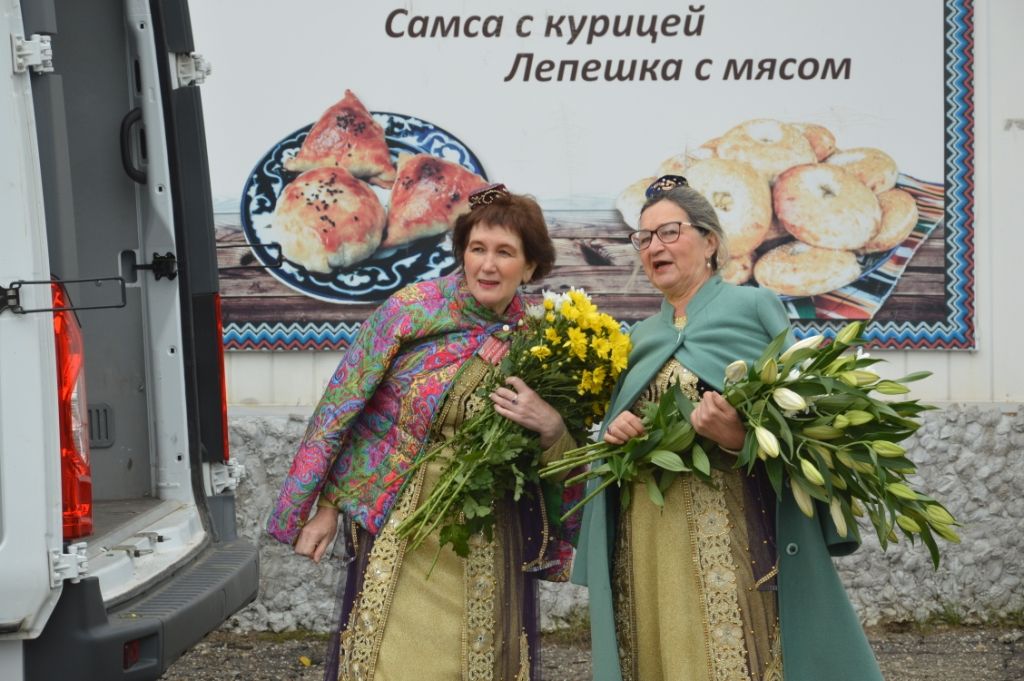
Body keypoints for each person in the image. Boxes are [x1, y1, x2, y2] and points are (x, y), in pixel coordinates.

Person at [572, 176, 884, 681]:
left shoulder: (752, 308)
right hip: (646, 541)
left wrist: (739, 438)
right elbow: (617, 438)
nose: (655, 247)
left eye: (669, 232)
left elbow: (803, 424)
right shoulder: (641, 337)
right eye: (644, 238)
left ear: (710, 241)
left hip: (734, 529)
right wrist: (619, 433)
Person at [266, 184, 579, 681]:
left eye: (505, 253)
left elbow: (563, 455)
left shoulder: (543, 345)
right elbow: (348, 409)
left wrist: (552, 425)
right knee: (393, 660)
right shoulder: (412, 311)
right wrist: (325, 507)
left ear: (532, 267)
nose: (488, 265)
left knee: (474, 661)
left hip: (488, 532)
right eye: (477, 249)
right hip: (403, 523)